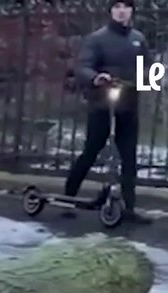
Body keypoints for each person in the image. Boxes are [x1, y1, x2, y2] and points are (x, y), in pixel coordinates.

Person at [63, 0, 151, 224]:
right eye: (117, 7)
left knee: (129, 155)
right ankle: (68, 197)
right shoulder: (97, 39)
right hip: (103, 102)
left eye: (126, 7)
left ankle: (129, 207)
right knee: (92, 149)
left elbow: (148, 67)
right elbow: (83, 66)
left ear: (131, 11)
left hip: (128, 102)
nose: (122, 11)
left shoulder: (138, 39)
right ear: (111, 11)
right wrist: (95, 78)